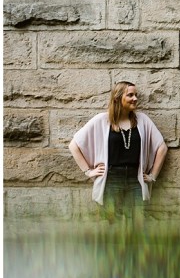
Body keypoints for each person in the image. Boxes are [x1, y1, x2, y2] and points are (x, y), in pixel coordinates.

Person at [69, 81, 168, 228]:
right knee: (113, 225)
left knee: (137, 225)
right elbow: (74, 145)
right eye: (130, 95)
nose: (135, 98)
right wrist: (88, 171)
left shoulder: (142, 120)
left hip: (135, 179)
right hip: (111, 179)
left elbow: (162, 147)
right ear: (117, 98)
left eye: (136, 95)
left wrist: (153, 175)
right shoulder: (102, 120)